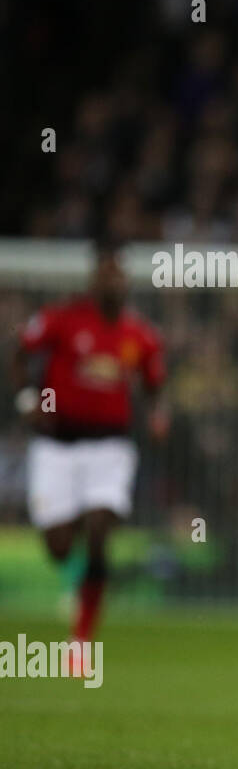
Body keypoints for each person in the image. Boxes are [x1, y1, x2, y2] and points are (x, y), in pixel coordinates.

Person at [12, 238, 168, 672]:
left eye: (118, 272)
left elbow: (154, 385)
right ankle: (78, 524)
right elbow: (21, 353)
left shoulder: (140, 335)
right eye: (105, 272)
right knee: (59, 548)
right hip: (57, 446)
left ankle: (80, 642)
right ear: (94, 279)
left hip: (110, 446)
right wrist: (30, 400)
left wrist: (158, 414)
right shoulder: (61, 320)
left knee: (101, 529)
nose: (112, 280)